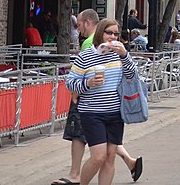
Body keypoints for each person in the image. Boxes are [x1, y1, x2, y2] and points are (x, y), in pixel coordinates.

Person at [54, 10, 141, 185]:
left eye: (116, 33)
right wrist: (89, 83)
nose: (113, 36)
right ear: (101, 33)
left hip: (115, 113)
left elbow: (133, 76)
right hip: (92, 113)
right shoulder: (86, 56)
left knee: (110, 157)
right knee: (98, 157)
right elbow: (70, 83)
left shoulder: (119, 55)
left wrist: (125, 55)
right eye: (109, 32)